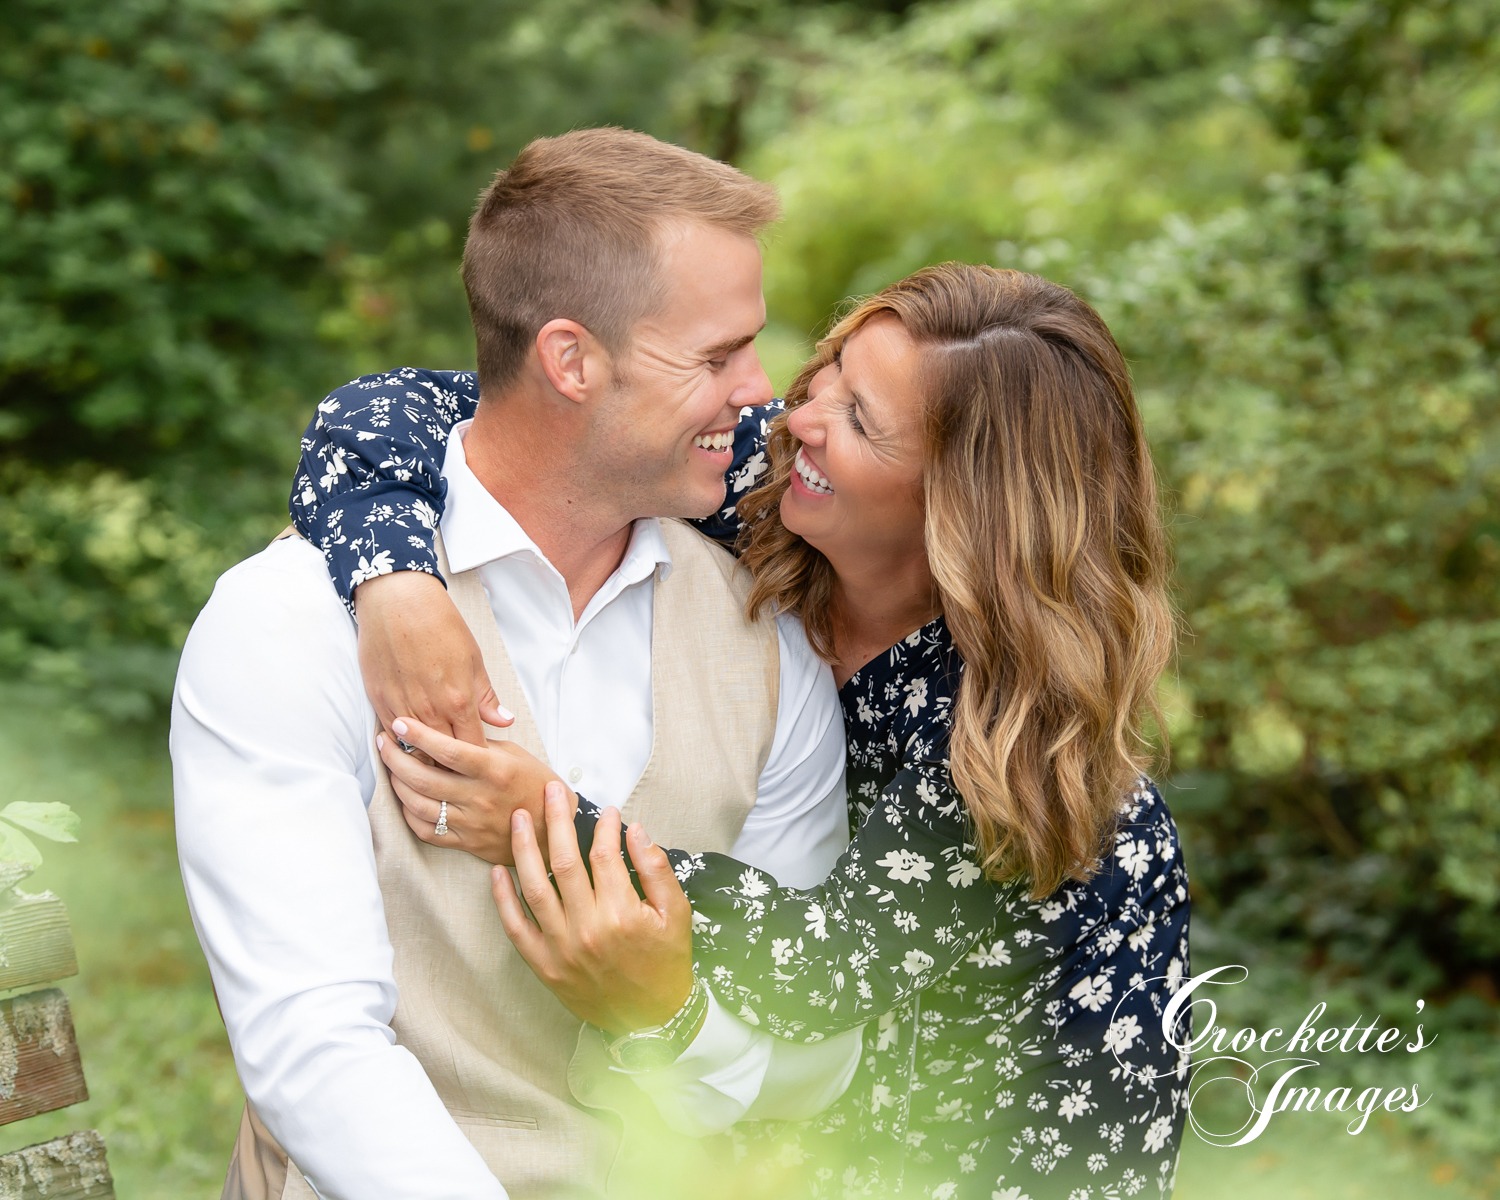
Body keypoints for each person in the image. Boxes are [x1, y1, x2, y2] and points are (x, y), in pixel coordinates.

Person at [291, 263, 1193, 1197]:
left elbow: (820, 968)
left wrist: (561, 825)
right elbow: (393, 412)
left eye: (860, 421)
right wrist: (396, 583)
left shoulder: (1007, 736)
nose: (800, 416)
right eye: (832, 373)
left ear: (968, 507)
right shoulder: (766, 487)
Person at [172, 127, 868, 1200]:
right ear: (571, 359)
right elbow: (314, 1048)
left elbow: (813, 1058)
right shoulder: (291, 621)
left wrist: (669, 1016)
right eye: (718, 354)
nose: (760, 392)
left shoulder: (767, 639)